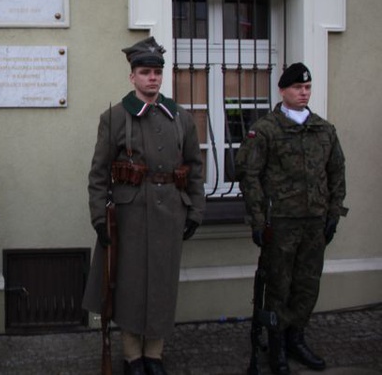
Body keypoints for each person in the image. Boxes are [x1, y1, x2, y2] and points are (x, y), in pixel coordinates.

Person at [82, 37, 205, 375]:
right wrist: (98, 219)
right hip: (129, 215)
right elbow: (99, 174)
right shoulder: (115, 117)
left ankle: (155, 354)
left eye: (157, 72)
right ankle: (133, 355)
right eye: (145, 72)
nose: (152, 78)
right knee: (131, 286)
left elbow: (194, 166)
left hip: (170, 214)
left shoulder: (180, 117)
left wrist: (195, 210)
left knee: (162, 285)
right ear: (132, 77)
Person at [235, 62, 346, 375]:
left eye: (307, 88)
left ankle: (296, 337)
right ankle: (276, 344)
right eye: (297, 88)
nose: (303, 93)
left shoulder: (324, 129)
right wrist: (258, 220)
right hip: (280, 223)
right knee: (278, 287)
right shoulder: (266, 129)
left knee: (307, 286)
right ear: (283, 90)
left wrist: (333, 213)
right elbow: (249, 175)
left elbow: (337, 172)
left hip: (314, 222)